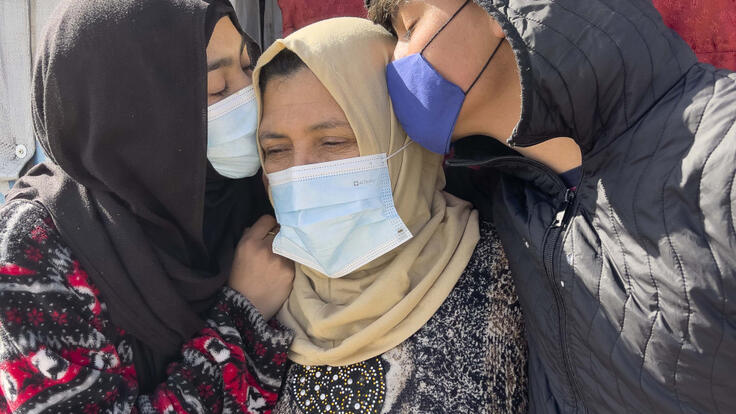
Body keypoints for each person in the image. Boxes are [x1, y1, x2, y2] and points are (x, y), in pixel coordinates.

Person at [366, 0, 736, 412]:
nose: (395, 61)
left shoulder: (724, 151)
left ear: (495, 10)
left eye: (409, 26)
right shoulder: (492, 192)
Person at [0, 0, 295, 412]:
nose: (250, 99)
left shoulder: (253, 197)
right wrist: (241, 318)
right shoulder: (40, 245)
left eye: (249, 68)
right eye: (215, 89)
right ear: (125, 111)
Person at [253, 17, 528, 413]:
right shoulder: (256, 299)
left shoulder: (512, 278)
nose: (302, 173)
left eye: (332, 142)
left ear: (402, 138)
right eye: (276, 151)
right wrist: (241, 309)